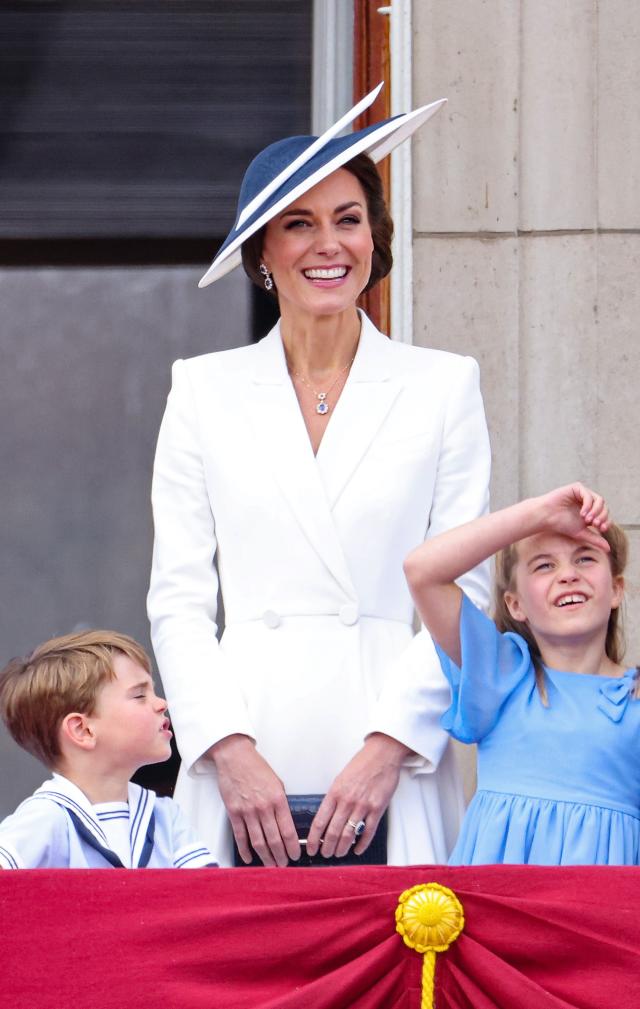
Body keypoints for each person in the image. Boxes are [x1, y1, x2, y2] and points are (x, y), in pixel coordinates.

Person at [147, 85, 492, 867]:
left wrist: (389, 747)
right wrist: (227, 748)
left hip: (388, 752)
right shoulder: (201, 389)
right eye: (298, 223)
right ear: (262, 250)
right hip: (242, 752)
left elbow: (463, 593)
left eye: (348, 218)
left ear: (376, 237)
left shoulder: (444, 385)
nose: (327, 244)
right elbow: (178, 597)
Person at [404, 482, 640, 865]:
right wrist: (538, 513)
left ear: (615, 590)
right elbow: (421, 570)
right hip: (497, 912)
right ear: (515, 604)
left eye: (585, 558)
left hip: (598, 914)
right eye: (544, 564)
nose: (568, 575)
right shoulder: (499, 675)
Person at [0, 629, 217, 869]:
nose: (162, 703)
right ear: (83, 730)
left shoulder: (166, 817)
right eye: (139, 695)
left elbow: (209, 896)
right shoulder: (45, 818)